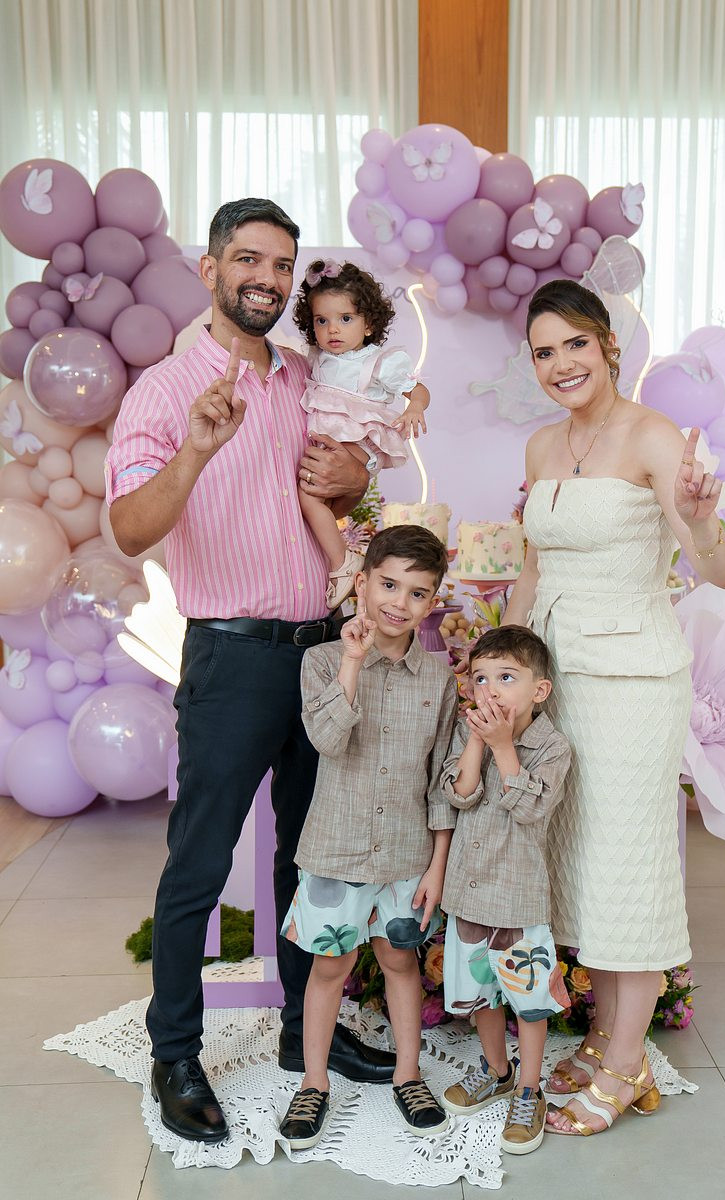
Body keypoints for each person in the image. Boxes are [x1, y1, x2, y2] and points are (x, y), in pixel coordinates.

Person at [106, 198, 397, 1146]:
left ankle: (302, 1032)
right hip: (230, 658)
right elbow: (129, 529)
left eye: (281, 265)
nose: (266, 279)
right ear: (210, 269)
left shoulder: (311, 377)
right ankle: (174, 1053)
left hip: (324, 654)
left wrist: (357, 482)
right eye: (247, 260)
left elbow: (348, 486)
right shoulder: (162, 392)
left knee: (311, 858)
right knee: (199, 862)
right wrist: (195, 450)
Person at [501, 279, 725, 1137]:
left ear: (606, 345)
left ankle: (628, 1064)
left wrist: (702, 523)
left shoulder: (652, 436)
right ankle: (604, 1039)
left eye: (574, 344)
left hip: (633, 683)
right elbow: (533, 569)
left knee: (625, 866)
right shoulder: (540, 446)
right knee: (578, 860)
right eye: (543, 351)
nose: (561, 363)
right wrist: (503, 669)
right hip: (557, 678)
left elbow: (716, 568)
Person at [278, 524, 458, 1149]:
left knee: (401, 961)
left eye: (417, 592)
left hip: (408, 854)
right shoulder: (322, 661)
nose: (399, 603)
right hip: (337, 850)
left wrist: (437, 866)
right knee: (329, 966)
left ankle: (408, 1074)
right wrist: (353, 661)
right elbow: (328, 740)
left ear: (432, 602)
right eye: (388, 584)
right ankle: (315, 1081)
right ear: (362, 583)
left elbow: (441, 782)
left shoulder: (438, 680)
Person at [438, 626, 572, 1156]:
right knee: (480, 995)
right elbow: (460, 794)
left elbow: (532, 807)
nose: (490, 690)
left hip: (518, 901)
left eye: (507, 678)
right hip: (469, 895)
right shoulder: (466, 732)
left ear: (539, 690)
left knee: (529, 1003)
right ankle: (496, 1070)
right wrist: (478, 741)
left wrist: (502, 746)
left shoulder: (552, 747)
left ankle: (529, 1089)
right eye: (481, 678)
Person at [291, 259, 430, 608]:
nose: (332, 330)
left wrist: (414, 408)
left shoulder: (378, 362)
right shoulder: (319, 358)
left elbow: (418, 389)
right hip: (331, 442)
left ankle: (343, 563)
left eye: (345, 319)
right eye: (322, 321)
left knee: (308, 497)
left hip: (357, 442)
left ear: (368, 324)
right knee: (315, 503)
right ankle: (331, 563)